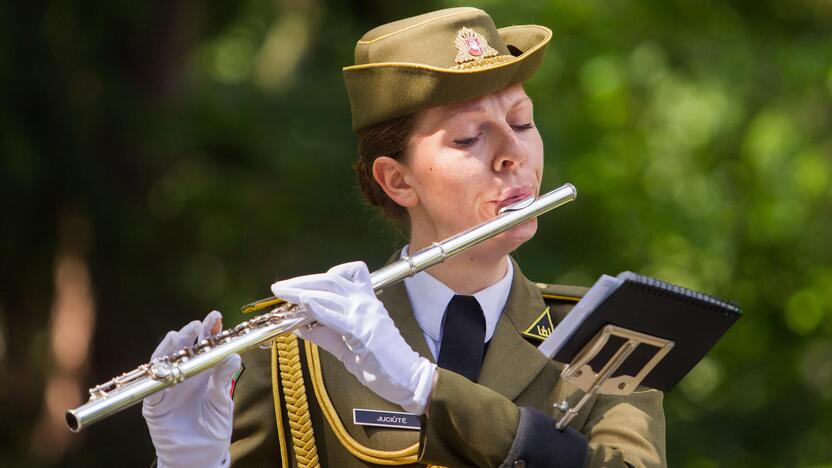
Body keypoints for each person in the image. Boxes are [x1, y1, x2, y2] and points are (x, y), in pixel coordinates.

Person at [142, 7, 666, 467]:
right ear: (398, 179)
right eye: (468, 136)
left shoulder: (610, 338)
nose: (513, 153)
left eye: (522, 122)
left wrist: (424, 385)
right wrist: (191, 462)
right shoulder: (294, 352)